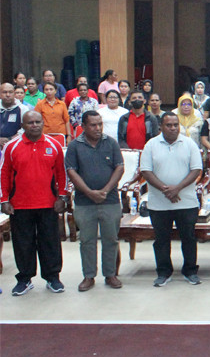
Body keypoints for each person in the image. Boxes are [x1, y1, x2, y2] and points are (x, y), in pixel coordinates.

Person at [1, 111, 68, 296]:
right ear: (23, 125)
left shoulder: (54, 145)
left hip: (48, 204)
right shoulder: (11, 147)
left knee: (50, 242)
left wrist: (62, 197)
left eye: (38, 122)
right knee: (23, 244)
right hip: (20, 205)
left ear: (43, 123)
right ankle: (24, 279)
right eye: (30, 122)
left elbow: (62, 173)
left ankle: (53, 277)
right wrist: (4, 200)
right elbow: (3, 174)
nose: (35, 125)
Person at [139, 112, 203, 287]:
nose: (173, 128)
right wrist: (165, 189)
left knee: (188, 238)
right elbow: (146, 171)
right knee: (161, 240)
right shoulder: (151, 145)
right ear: (161, 126)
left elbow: (196, 170)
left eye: (176, 125)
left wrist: (177, 188)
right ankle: (163, 272)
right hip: (159, 203)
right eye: (169, 125)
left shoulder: (189, 144)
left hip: (186, 201)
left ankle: (190, 271)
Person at [66, 110, 125, 291]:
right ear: (83, 126)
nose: (98, 128)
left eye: (100, 124)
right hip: (84, 201)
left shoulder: (111, 143)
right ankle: (89, 276)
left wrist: (105, 190)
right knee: (87, 241)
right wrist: (89, 192)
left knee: (111, 239)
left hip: (110, 200)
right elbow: (71, 171)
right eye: (93, 125)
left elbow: (119, 168)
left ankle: (110, 274)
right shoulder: (75, 146)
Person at [0, 83, 30, 148]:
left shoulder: (23, 109)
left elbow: (26, 128)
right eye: (4, 92)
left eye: (10, 92)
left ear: (14, 94)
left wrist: (10, 139)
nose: (8, 95)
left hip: (16, 145)